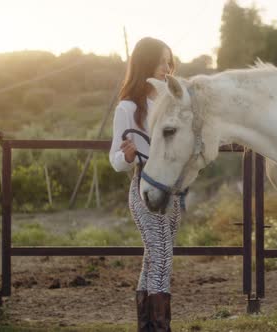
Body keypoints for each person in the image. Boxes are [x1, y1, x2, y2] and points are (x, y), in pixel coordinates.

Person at [109, 37, 179, 332]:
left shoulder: (171, 102)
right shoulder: (127, 106)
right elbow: (115, 159)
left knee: (154, 258)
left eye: (169, 61)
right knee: (162, 257)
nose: (167, 67)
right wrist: (125, 157)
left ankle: (148, 326)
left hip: (171, 190)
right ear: (146, 63)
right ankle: (159, 328)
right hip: (144, 187)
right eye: (162, 61)